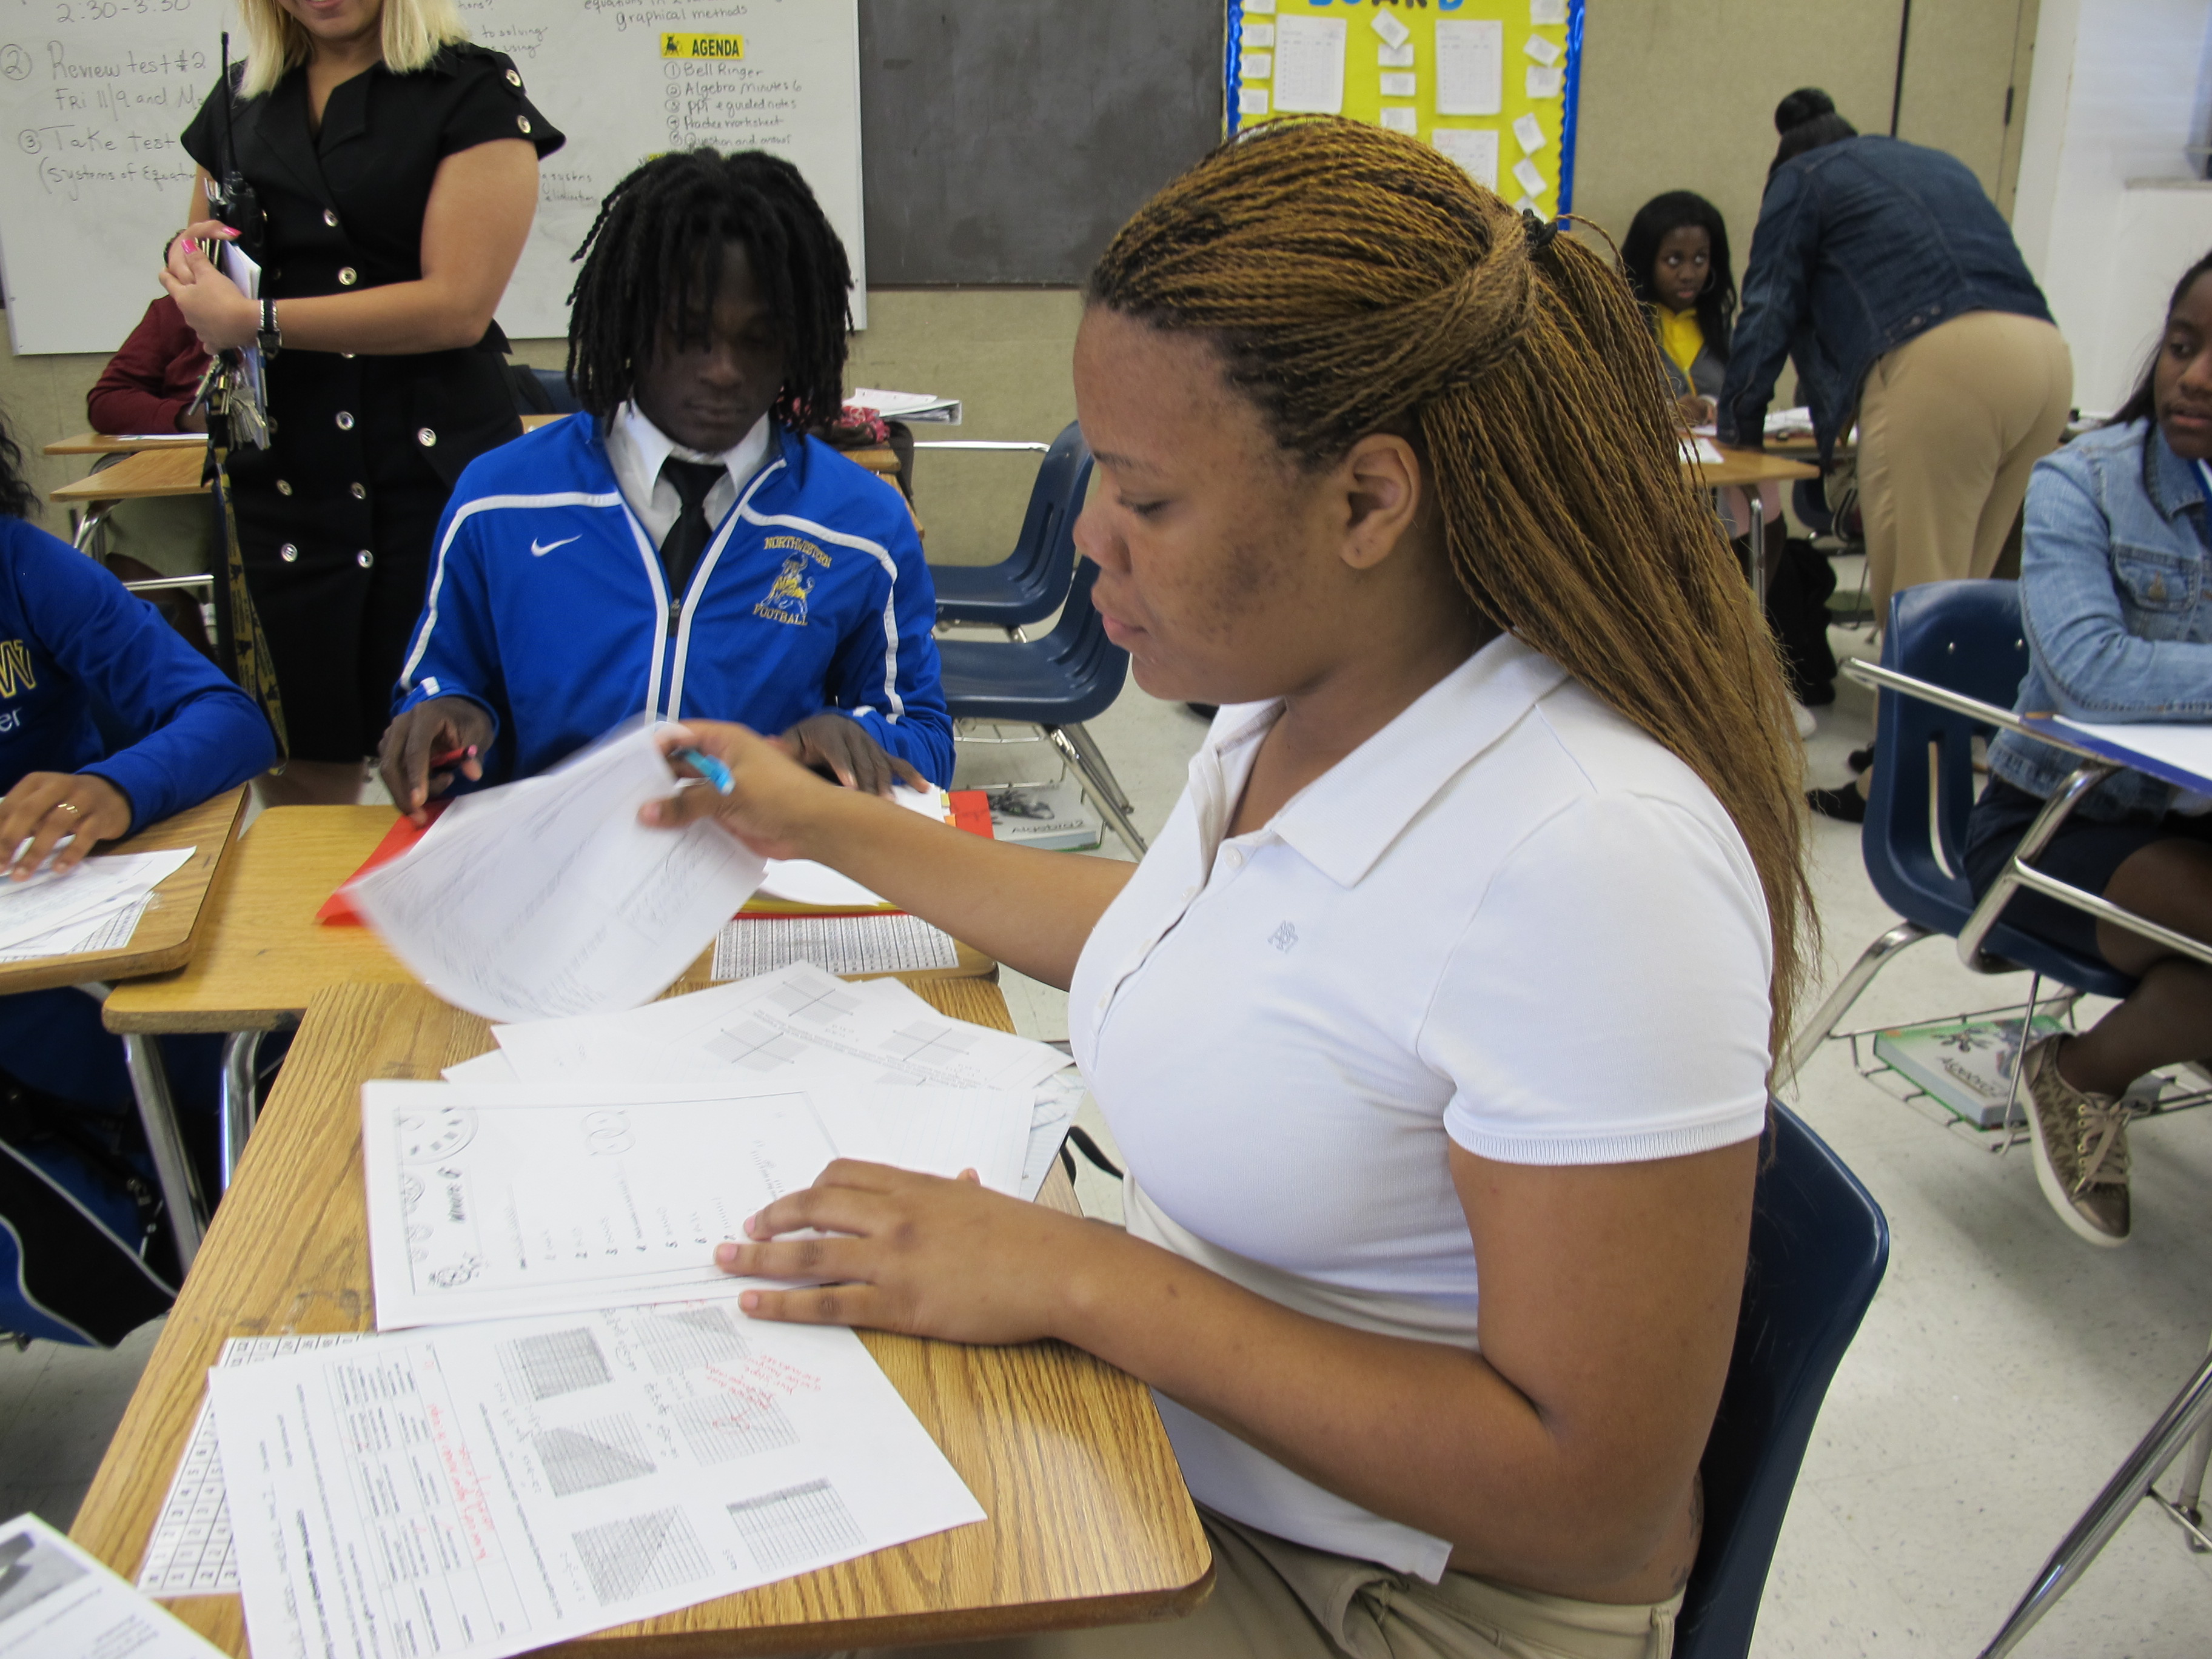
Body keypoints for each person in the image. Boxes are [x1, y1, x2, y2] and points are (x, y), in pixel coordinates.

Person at [643, 118, 1812, 1658]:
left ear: (1369, 501)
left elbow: (1590, 1496)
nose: (1088, 538)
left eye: (1145, 496)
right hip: (1198, 1457)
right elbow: (1192, 930)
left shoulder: (1595, 860)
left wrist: (1075, 1271)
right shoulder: (1301, 693)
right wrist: (813, 820)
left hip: (1400, 1595)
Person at [376, 149, 951, 817]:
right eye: (688, 336)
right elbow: (438, 683)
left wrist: (850, 735)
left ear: (799, 345)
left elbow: (927, 741)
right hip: (553, 880)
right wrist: (447, 718)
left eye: (759, 341)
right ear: (628, 325)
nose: (724, 371)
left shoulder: (862, 524)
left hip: (757, 885)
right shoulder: (500, 501)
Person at [159, 0, 563, 804]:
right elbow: (201, 257)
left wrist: (258, 322)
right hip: (285, 470)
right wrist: (196, 281)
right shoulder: (239, 102)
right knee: (301, 747)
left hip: (432, 466)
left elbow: (457, 306)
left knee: (457, 751)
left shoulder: (471, 91)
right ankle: (311, 928)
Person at [1715, 88, 2073, 821]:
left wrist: (1738, 431)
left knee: (1915, 599)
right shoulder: (1933, 164)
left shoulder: (1803, 180)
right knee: (1963, 591)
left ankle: (1899, 789)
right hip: (2046, 361)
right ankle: (1945, 750)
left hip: (1943, 365)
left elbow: (1769, 305)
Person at [1962, 250, 2212, 1249]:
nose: (2190, 376)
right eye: (2183, 345)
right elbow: (2090, 675)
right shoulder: (2084, 484)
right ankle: (2076, 1074)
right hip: (2057, 824)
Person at [0, 413, 274, 1325]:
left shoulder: (24, 568)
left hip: (66, 938)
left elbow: (230, 721)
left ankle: (236, 1275)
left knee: (255, 1062)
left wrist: (115, 788)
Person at [1621, 190, 1735, 429]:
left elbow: (1744, 399)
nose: (1688, 275)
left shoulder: (1721, 326)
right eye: (1674, 260)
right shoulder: (1621, 325)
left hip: (1723, 462)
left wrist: (1712, 406)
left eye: (1700, 259)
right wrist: (1673, 414)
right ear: (1647, 261)